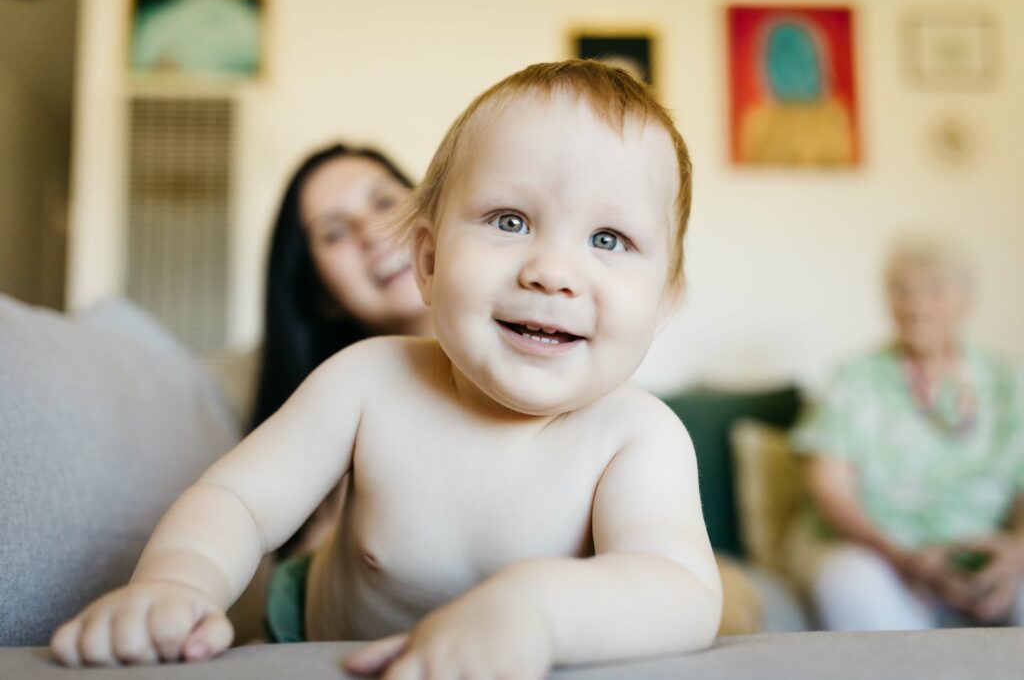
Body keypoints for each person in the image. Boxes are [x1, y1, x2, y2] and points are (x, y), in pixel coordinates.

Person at [51, 60, 722, 677]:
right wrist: (175, 583)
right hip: (313, 633)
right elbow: (240, 502)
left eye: (609, 238)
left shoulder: (639, 436)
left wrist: (534, 610)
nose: (551, 270)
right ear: (427, 261)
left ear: (664, 299)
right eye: (510, 220)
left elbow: (680, 588)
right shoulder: (367, 379)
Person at [786, 236, 1024, 631]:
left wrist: (1017, 551)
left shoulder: (1007, 380)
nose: (916, 305)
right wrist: (901, 558)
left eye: (934, 290)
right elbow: (829, 488)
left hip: (988, 552)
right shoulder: (854, 378)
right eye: (902, 290)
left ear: (966, 302)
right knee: (848, 584)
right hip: (881, 553)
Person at [249, 143, 431, 558]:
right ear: (321, 296)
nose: (372, 234)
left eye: (385, 202)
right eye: (335, 232)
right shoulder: (332, 421)